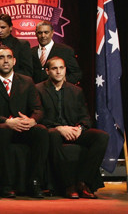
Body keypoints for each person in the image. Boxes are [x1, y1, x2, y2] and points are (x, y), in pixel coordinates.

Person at [36, 57, 108, 199]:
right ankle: (69, 185)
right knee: (52, 135)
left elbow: (85, 117)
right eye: (54, 68)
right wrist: (60, 128)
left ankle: (83, 182)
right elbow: (39, 117)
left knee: (101, 137)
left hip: (74, 131)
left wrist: (80, 128)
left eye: (61, 68)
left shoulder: (76, 91)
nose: (58, 72)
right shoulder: (38, 89)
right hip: (54, 131)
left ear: (65, 70)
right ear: (47, 71)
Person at [0, 46, 48, 198]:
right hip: (1, 128)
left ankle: (35, 182)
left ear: (14, 60)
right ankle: (6, 185)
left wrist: (32, 121)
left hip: (24, 127)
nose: (6, 61)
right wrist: (7, 121)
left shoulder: (27, 81)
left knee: (41, 131)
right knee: (3, 130)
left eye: (9, 57)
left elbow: (38, 109)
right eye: (1, 58)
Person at [0, 14, 32, 79]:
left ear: (10, 27)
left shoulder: (22, 45)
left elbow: (27, 71)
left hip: (15, 86)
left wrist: (1, 78)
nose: (0, 31)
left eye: (3, 27)